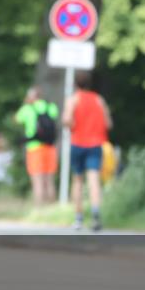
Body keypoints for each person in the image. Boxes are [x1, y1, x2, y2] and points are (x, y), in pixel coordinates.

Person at [63, 71, 112, 232]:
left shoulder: (73, 99)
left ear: (75, 84)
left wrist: (73, 125)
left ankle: (78, 218)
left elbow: (67, 120)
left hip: (78, 143)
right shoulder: (99, 99)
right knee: (94, 180)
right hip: (96, 144)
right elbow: (108, 123)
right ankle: (96, 214)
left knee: (77, 180)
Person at [15, 87, 59, 205]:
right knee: (49, 180)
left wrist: (26, 103)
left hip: (34, 148)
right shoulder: (50, 106)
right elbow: (55, 115)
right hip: (50, 147)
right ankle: (51, 207)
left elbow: (17, 119)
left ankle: (39, 207)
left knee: (37, 180)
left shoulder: (27, 108)